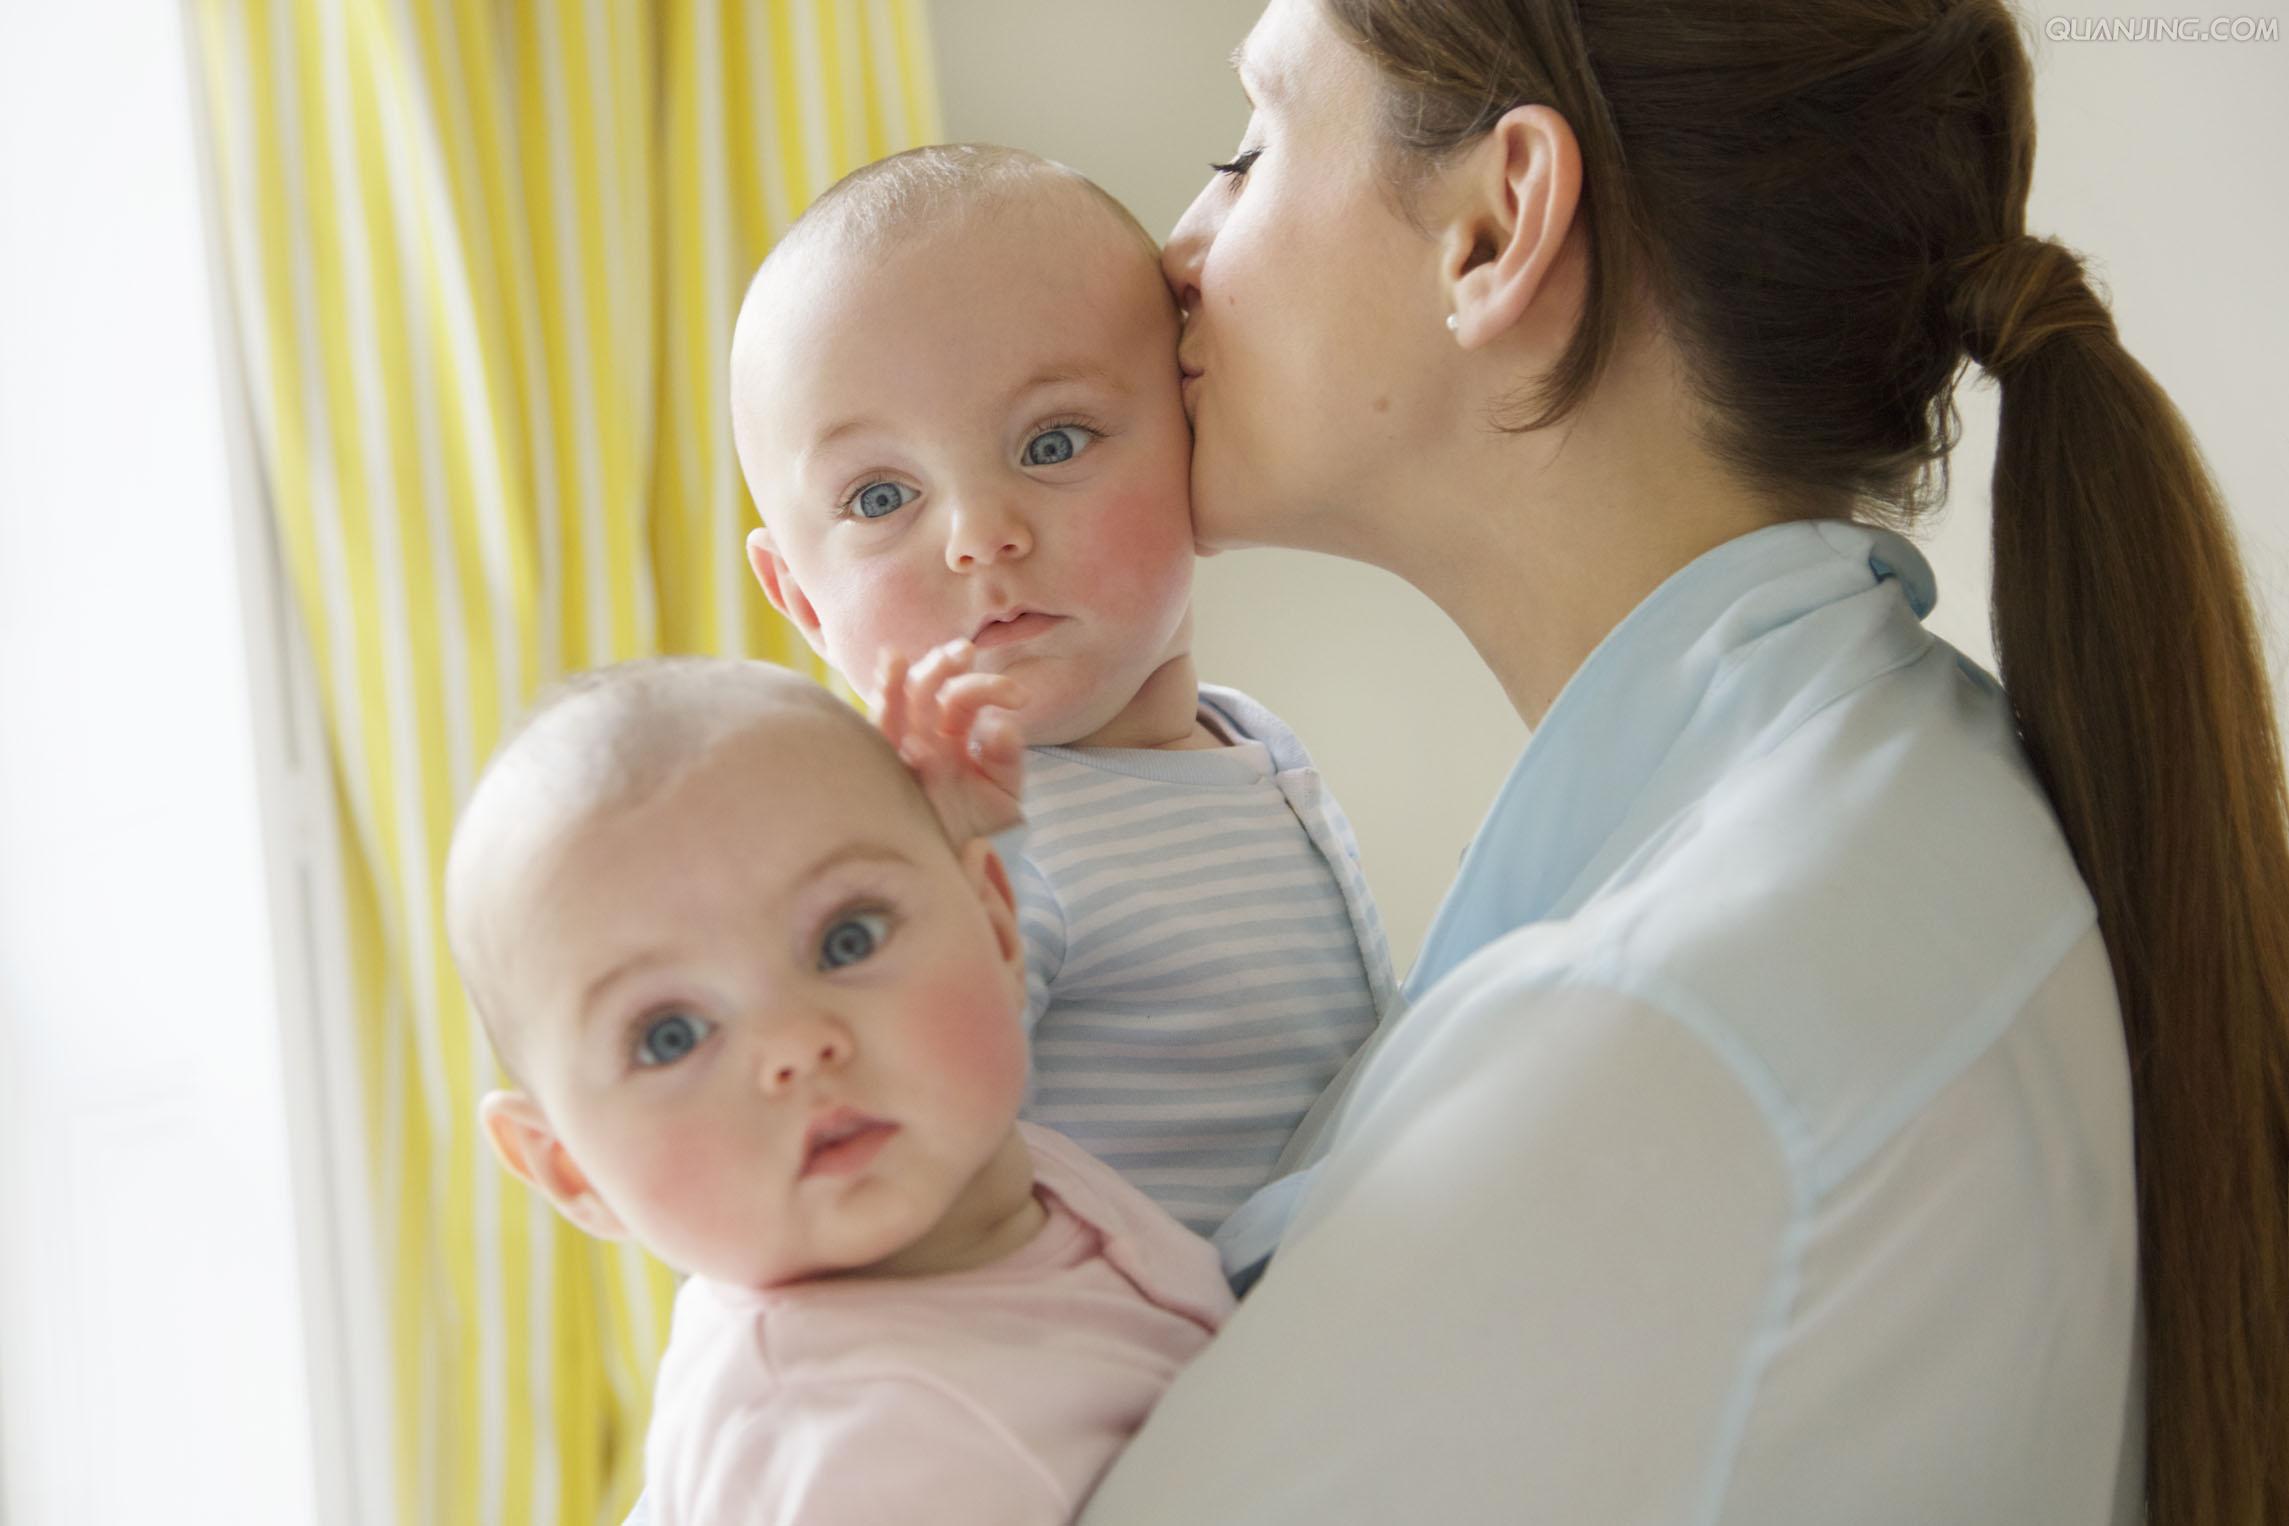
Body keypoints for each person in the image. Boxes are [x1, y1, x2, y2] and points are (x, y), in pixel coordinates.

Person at [1079, 1, 2289, 1522]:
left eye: (1247, 148)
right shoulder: (1903, 814)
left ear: (1495, 225)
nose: (1176, 250)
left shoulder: (1662, 1026)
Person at [727, 144, 1396, 1253]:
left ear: (1194, 426)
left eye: (1053, 441)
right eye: (882, 495)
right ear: (800, 596)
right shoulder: (965, 851)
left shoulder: (1248, 748)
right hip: (1112, 1399)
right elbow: (875, 1180)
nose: (981, 532)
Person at [445, 657, 1234, 1524]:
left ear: (998, 930)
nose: (796, 1045)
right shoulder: (863, 1455)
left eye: (847, 939)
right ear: (569, 1172)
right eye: (669, 1036)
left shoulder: (995, 1176)